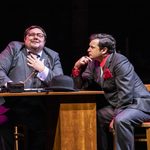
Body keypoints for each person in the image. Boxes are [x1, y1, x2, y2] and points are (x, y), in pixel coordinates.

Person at [71, 33, 150, 150]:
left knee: (121, 120)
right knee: (97, 116)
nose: (88, 50)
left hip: (138, 104)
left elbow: (126, 92)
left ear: (104, 50)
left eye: (92, 47)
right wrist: (76, 68)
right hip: (120, 105)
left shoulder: (119, 61)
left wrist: (116, 115)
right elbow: (80, 86)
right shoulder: (93, 63)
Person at [0, 25, 63, 150]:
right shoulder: (14, 48)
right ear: (25, 39)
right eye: (31, 34)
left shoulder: (53, 55)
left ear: (44, 41)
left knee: (46, 126)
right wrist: (11, 85)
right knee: (3, 127)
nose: (36, 37)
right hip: (12, 103)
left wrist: (43, 69)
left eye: (40, 35)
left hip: (41, 106)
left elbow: (59, 81)